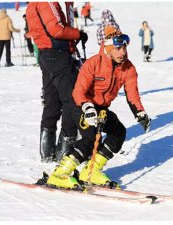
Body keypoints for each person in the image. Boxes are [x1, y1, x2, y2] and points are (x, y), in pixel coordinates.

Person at [46, 26, 151, 189]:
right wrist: (87, 108)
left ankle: (93, 170)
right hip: (81, 104)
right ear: (108, 48)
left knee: (118, 132)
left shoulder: (128, 68)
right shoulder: (94, 63)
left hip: (101, 108)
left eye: (124, 48)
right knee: (90, 139)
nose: (122, 52)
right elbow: (78, 91)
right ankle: (60, 174)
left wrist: (140, 112)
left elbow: (132, 94)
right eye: (118, 48)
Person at [26, 2, 88, 163]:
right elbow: (57, 29)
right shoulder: (46, 2)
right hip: (57, 54)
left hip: (47, 54)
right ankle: (65, 151)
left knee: (52, 101)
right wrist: (78, 34)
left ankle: (47, 153)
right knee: (72, 99)